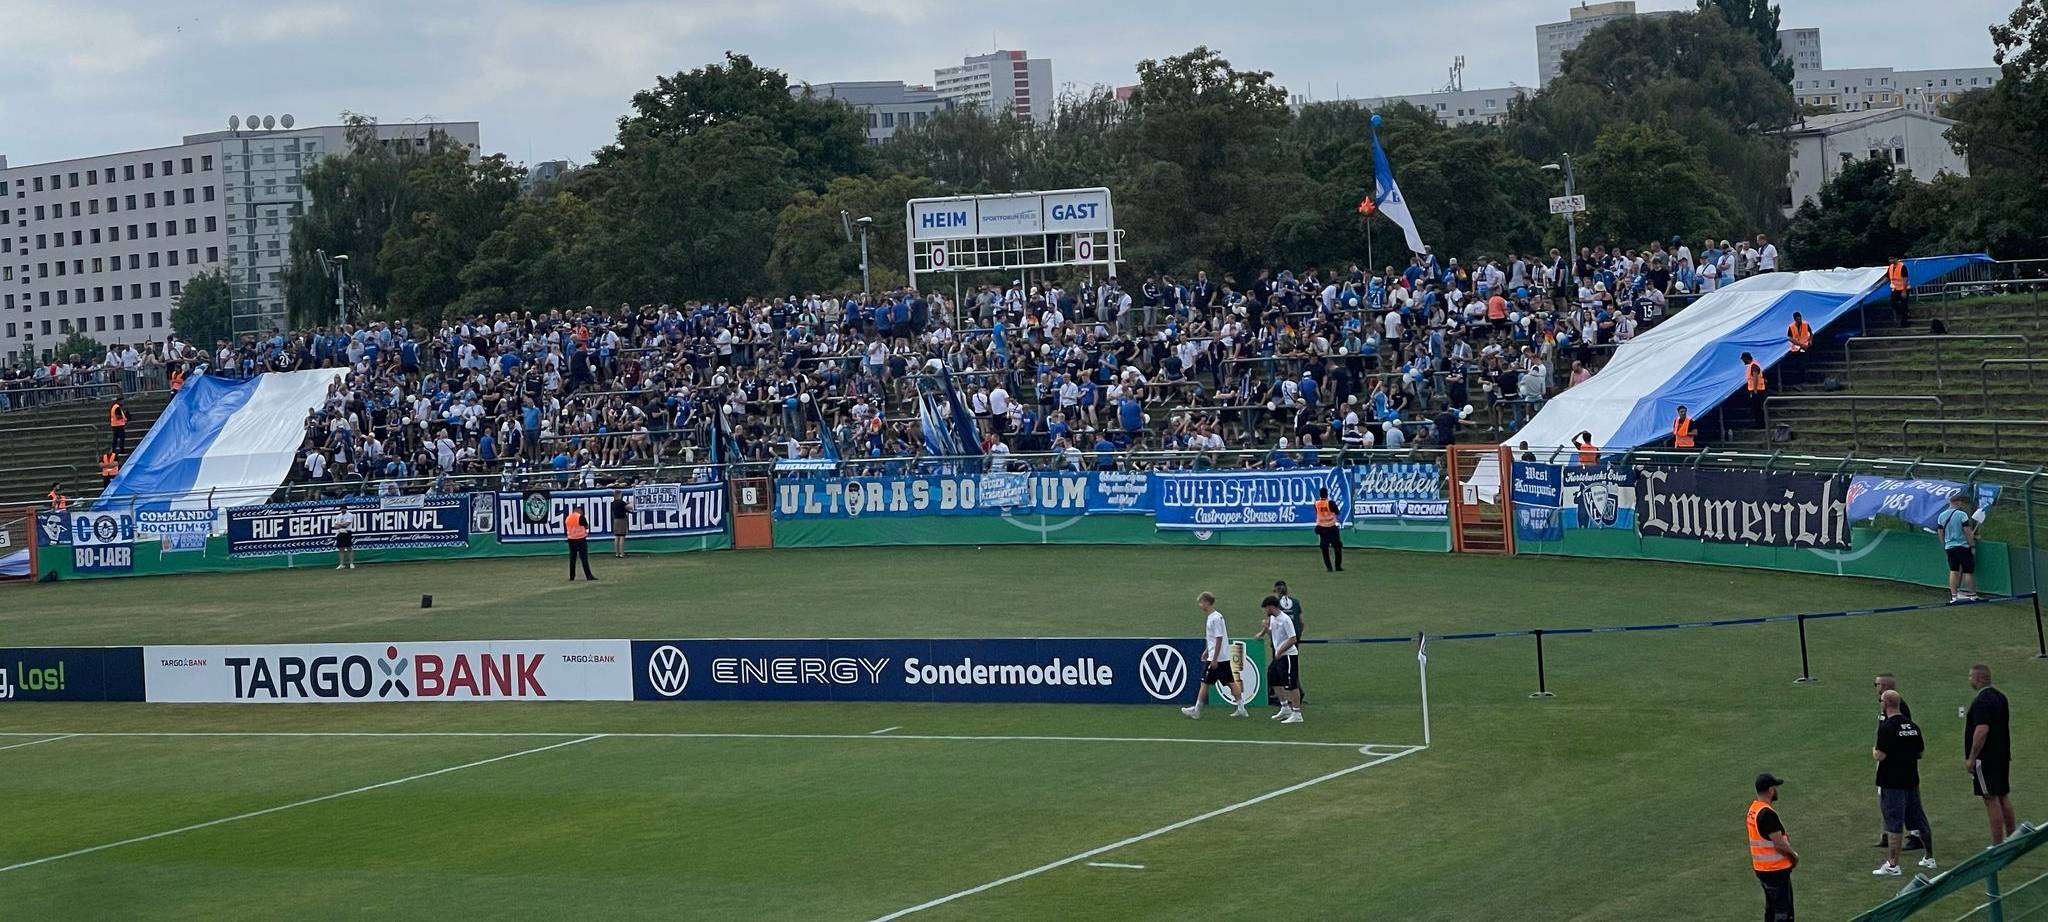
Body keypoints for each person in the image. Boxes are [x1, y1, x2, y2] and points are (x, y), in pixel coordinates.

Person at [1873, 689, 1936, 875]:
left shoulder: (1887, 728)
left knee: (1894, 822)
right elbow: (1920, 753)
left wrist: (1874, 751)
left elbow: (1881, 755)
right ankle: (1929, 856)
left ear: (1886, 704)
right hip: (1911, 779)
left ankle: (1893, 864)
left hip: (1892, 782)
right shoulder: (1913, 727)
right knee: (1919, 819)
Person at [1965, 663, 2016, 845]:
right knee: (2003, 795)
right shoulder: (2000, 697)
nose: (1969, 680)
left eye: (1971, 676)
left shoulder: (1982, 701)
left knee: (1990, 798)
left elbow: (1982, 730)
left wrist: (1972, 757)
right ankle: (2012, 838)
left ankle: (1997, 844)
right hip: (2002, 755)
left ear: (1979, 679)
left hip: (1986, 758)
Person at [1181, 591, 1248, 719]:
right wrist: (1207, 651)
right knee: (1230, 682)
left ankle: (1197, 710)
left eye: (1201, 602)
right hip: (1220, 656)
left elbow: (1219, 638)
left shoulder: (1215, 618)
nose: (1200, 605)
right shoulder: (1214, 617)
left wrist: (1214, 658)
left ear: (1206, 602)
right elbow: (1213, 639)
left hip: (1217, 658)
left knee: (1204, 682)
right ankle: (1241, 708)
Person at [1748, 773, 1798, 922]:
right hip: (1775, 870)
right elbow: (1780, 844)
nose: (1777, 789)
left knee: (1771, 910)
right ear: (1770, 790)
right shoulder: (1767, 814)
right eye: (1775, 787)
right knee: (1783, 912)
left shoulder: (1754, 810)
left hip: (1762, 869)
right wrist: (1794, 857)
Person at [1258, 595, 1304, 724]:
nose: (1265, 611)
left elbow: (1293, 639)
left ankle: (1297, 712)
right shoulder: (1273, 619)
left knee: (1291, 683)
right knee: (1272, 677)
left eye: (1266, 608)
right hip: (1280, 656)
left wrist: (1280, 650)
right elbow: (1274, 634)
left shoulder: (1285, 620)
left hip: (1288, 655)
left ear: (1271, 607)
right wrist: (1265, 629)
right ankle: (1284, 707)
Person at [1937, 493, 1979, 603]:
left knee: (1953, 570)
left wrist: (1944, 545)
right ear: (1958, 502)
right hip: (1963, 546)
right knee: (1968, 571)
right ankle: (1973, 595)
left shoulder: (1941, 516)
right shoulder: (1962, 515)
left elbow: (1940, 533)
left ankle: (1954, 596)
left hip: (1949, 546)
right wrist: (1972, 545)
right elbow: (1967, 532)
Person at [1273, 580, 1306, 704]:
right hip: (1294, 639)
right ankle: (1287, 696)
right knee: (1289, 669)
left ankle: (1286, 698)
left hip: (1281, 642)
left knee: (1283, 670)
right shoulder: (1295, 602)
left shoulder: (1276, 605)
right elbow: (1302, 621)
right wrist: (1298, 635)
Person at [1312, 487, 1343, 572]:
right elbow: (1337, 512)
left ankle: (1329, 567)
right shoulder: (1331, 503)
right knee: (1337, 547)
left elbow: (1317, 512)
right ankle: (1338, 566)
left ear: (1320, 494)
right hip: (1332, 528)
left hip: (1322, 528)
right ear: (1327, 494)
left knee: (1324, 549)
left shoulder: (1316, 503)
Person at [565, 505, 597, 582]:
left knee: (572, 559)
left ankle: (572, 576)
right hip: (580, 539)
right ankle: (588, 576)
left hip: (571, 540)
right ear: (578, 510)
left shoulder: (568, 518)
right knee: (584, 559)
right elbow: (586, 526)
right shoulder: (580, 517)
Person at [1741, 352, 1768, 429]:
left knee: (1757, 408)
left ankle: (1760, 424)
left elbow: (1755, 377)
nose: (1743, 361)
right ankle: (1760, 424)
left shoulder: (1753, 366)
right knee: (1757, 408)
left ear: (1746, 358)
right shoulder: (1754, 364)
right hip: (1758, 389)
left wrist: (1755, 390)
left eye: (1743, 359)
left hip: (1757, 390)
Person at [609, 488, 632, 559]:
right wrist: (629, 503)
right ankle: (622, 553)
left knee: (617, 536)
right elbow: (629, 507)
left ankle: (617, 553)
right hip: (622, 520)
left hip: (616, 520)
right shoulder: (622, 503)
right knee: (622, 536)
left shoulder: (612, 503)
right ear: (619, 495)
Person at [1888, 257, 1911, 328]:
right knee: (1893, 303)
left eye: (1892, 259)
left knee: (1904, 305)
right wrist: (1878, 284)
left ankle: (1904, 323)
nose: (1891, 260)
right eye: (1890, 259)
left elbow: (1905, 279)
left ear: (1896, 258)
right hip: (1895, 288)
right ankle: (1905, 314)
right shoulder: (1890, 267)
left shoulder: (1902, 266)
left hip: (1904, 289)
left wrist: (1904, 291)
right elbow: (1888, 277)